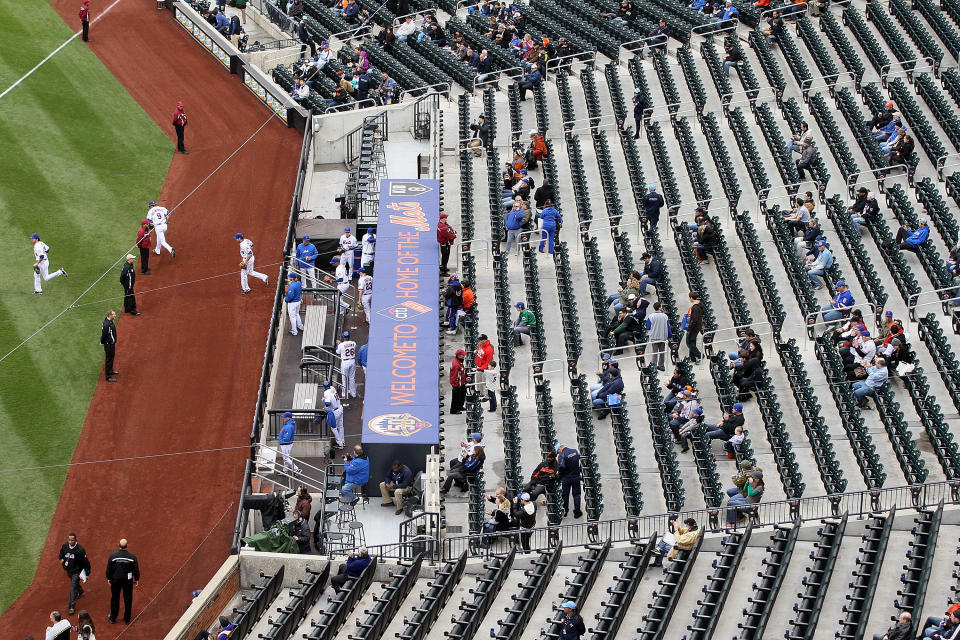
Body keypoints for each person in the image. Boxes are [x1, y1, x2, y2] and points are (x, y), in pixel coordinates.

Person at [105, 538, 139, 625]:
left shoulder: (112, 556)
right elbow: (136, 570)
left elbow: (109, 569)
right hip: (127, 581)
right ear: (127, 546)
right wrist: (137, 579)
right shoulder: (132, 557)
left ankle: (113, 617)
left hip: (115, 580)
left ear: (119, 546)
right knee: (128, 598)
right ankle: (127, 619)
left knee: (115, 598)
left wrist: (108, 578)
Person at [58, 533, 91, 615]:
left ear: (75, 540)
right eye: (69, 540)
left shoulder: (80, 550)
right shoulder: (65, 546)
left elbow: (86, 562)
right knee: (74, 584)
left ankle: (71, 607)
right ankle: (80, 591)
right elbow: (61, 555)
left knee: (73, 588)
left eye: (72, 540)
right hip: (68, 570)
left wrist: (87, 573)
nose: (70, 541)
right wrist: (62, 561)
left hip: (77, 571)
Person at [556, 444, 582, 518]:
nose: (558, 453)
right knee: (577, 495)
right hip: (576, 477)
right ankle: (577, 512)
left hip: (566, 478)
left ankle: (565, 511)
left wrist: (558, 472)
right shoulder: (575, 451)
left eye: (558, 452)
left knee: (565, 495)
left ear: (559, 449)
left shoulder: (562, 455)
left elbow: (562, 466)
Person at [336, 331, 358, 398]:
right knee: (352, 378)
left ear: (343, 337)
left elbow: (337, 352)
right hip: (352, 361)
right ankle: (353, 394)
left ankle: (344, 394)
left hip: (345, 362)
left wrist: (338, 344)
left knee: (344, 379)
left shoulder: (341, 345)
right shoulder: (354, 343)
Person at [684, 291, 704, 363]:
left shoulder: (695, 307)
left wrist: (689, 328)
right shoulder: (700, 304)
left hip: (694, 327)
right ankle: (692, 358)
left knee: (689, 342)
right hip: (698, 326)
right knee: (693, 342)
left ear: (691, 298)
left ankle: (699, 355)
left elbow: (694, 320)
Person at [101, 309, 118, 382]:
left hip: (111, 344)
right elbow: (104, 335)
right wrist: (102, 342)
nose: (115, 315)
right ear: (110, 315)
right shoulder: (106, 324)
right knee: (108, 360)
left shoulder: (110, 322)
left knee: (111, 357)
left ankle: (110, 371)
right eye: (114, 314)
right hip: (108, 345)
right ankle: (108, 377)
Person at [449, 349, 467, 414]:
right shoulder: (456, 365)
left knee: (462, 395)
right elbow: (455, 376)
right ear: (459, 355)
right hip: (457, 384)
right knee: (456, 398)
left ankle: (460, 407)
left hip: (461, 383)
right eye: (463, 355)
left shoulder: (459, 361)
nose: (464, 356)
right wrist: (456, 385)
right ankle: (454, 410)